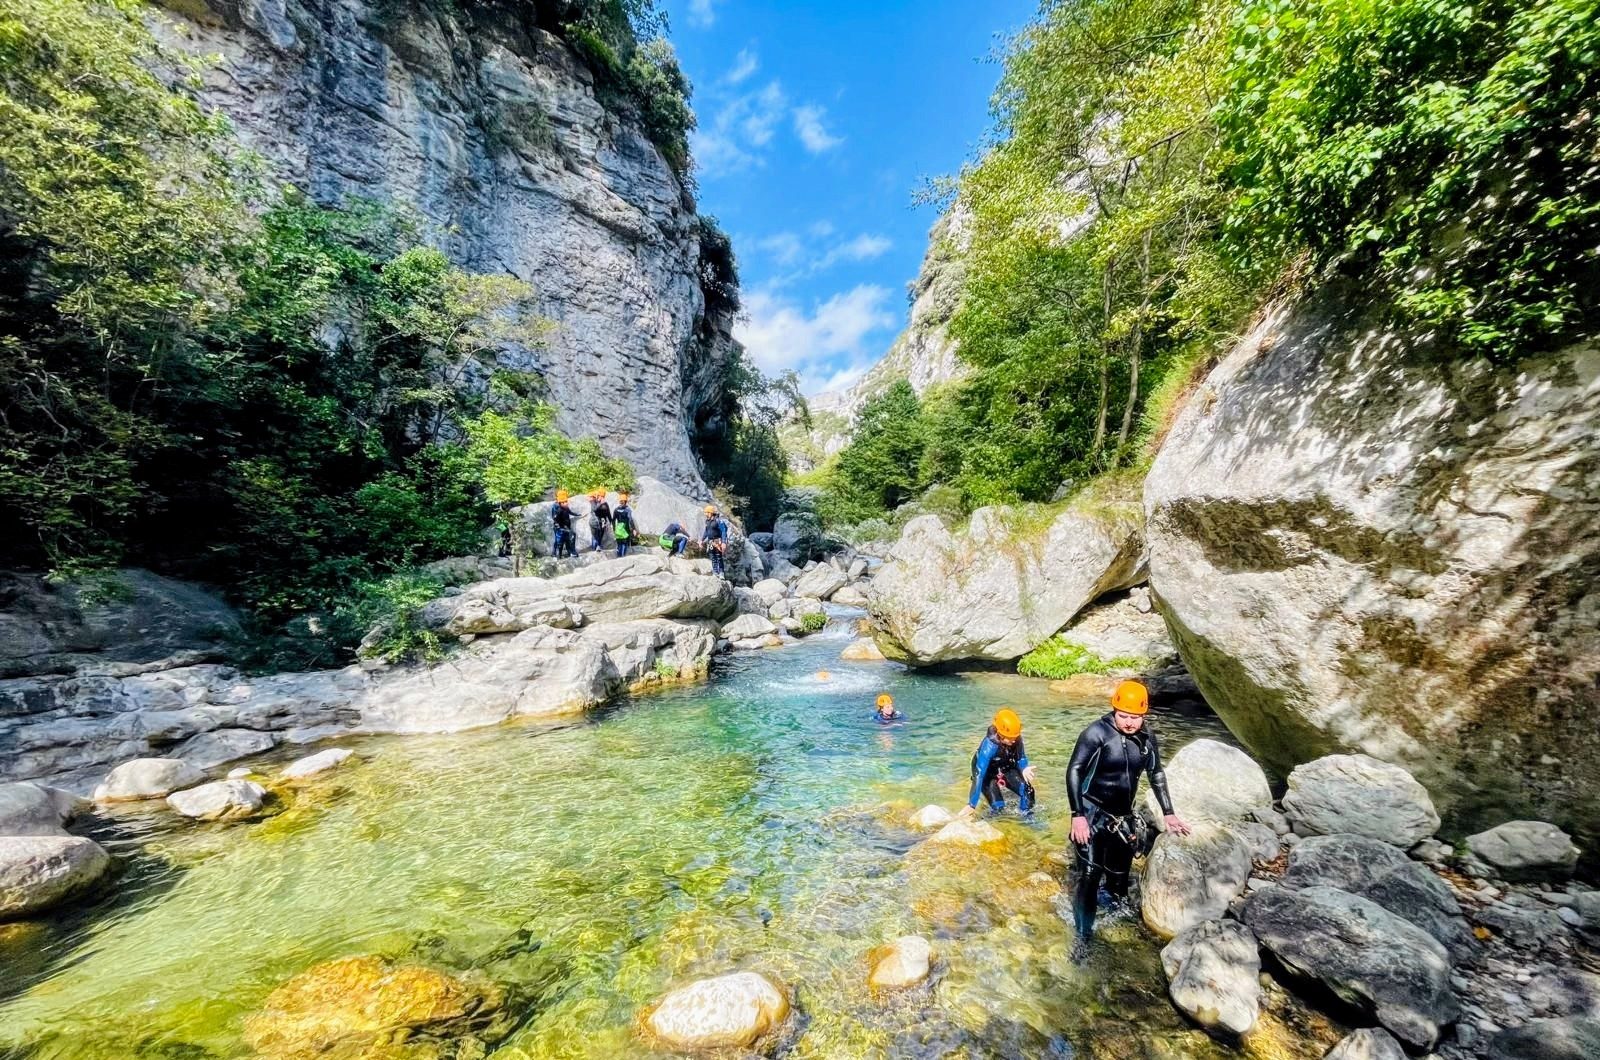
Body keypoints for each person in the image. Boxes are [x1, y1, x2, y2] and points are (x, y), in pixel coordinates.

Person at [1066, 679, 1191, 957]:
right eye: (1124, 716)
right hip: (1092, 813)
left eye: (1135, 717)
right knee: (1089, 873)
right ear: (1114, 710)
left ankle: (1119, 929)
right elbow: (1074, 770)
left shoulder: (1146, 738)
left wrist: (1169, 813)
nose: (1130, 723)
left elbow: (1156, 773)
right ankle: (1083, 938)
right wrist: (1077, 816)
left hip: (1122, 817)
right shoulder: (1096, 734)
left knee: (1120, 882)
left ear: (1143, 714)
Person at [958, 708, 1036, 818]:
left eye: (1015, 737)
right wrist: (971, 804)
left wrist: (1024, 768)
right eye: (1010, 738)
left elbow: (1021, 757)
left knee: (1028, 791)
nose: (1014, 740)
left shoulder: (1015, 738)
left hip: (1005, 768)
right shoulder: (989, 746)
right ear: (1000, 734)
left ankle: (1026, 817)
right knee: (999, 808)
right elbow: (979, 774)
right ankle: (985, 818)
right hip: (987, 775)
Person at [701, 504, 728, 576]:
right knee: (712, 557)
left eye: (706, 512)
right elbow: (706, 531)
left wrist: (724, 542)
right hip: (710, 542)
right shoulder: (707, 521)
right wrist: (702, 540)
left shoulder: (718, 521)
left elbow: (723, 531)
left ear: (710, 512)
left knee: (719, 557)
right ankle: (715, 572)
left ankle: (721, 573)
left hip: (718, 541)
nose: (705, 514)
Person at [551, 489, 578, 558]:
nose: (566, 501)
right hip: (560, 527)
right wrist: (558, 525)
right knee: (559, 540)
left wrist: (577, 514)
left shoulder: (564, 505)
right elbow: (554, 518)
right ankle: (556, 553)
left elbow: (569, 511)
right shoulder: (556, 506)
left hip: (566, 526)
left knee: (566, 539)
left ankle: (569, 552)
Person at [612, 490, 636, 557]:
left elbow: (613, 520)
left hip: (618, 529)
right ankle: (623, 557)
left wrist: (614, 529)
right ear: (626, 501)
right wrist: (634, 529)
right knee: (625, 543)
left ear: (620, 501)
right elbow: (630, 520)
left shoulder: (616, 510)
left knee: (619, 543)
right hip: (626, 529)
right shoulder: (627, 510)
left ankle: (618, 556)